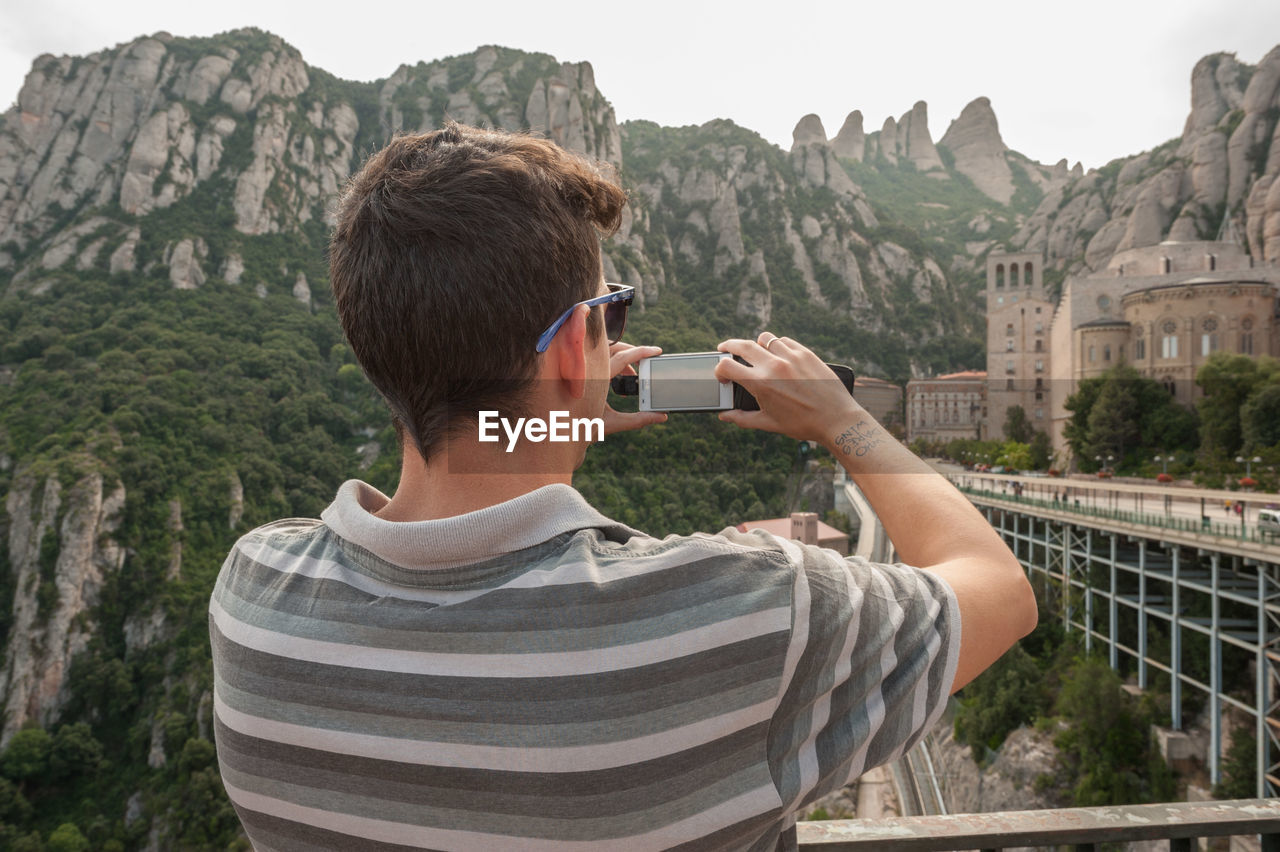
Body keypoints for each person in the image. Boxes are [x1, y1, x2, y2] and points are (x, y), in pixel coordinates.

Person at [209, 123, 1037, 851]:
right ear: (578, 347)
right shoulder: (745, 614)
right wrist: (843, 421)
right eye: (612, 312)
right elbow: (998, 589)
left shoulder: (253, 596)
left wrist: (554, 413)